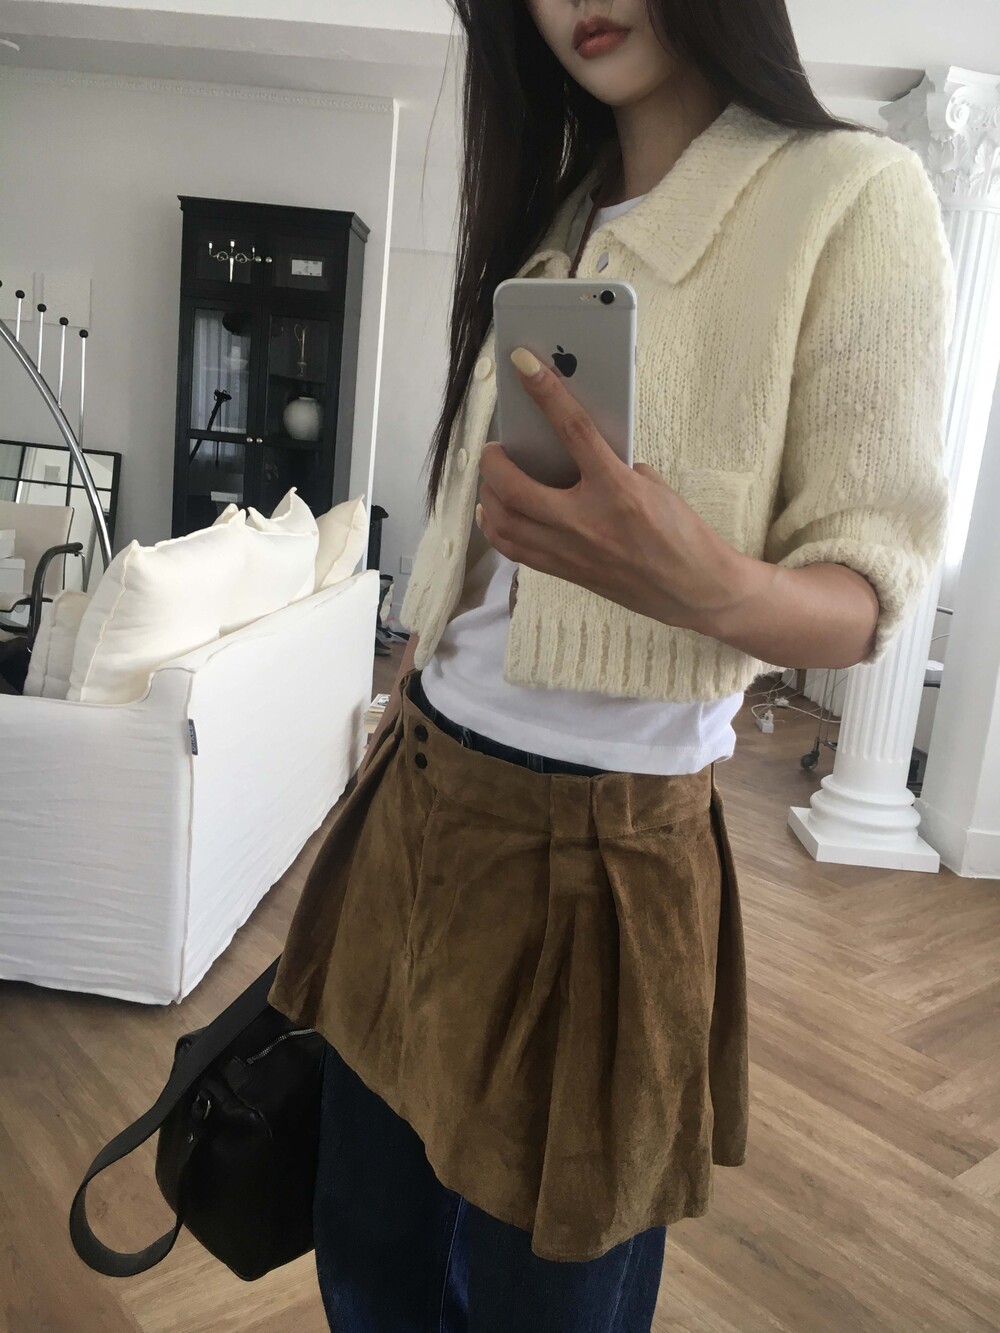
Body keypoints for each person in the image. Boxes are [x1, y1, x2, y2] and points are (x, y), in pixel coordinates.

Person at [269, 1, 953, 1328]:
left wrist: (700, 582)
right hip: (416, 797)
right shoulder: (556, 216)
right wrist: (405, 681)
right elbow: (477, 537)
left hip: (607, 853)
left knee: (549, 1296)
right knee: (369, 1256)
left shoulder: (854, 192)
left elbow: (867, 594)